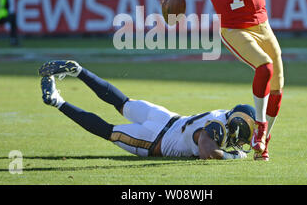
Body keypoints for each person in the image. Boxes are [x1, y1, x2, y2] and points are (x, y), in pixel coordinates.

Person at [161, 0, 298, 161]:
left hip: (262, 25)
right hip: (234, 29)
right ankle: (259, 127)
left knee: (278, 85)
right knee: (264, 66)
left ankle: (264, 142)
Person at [38, 60, 256, 160]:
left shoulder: (221, 114)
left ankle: (80, 71)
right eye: (244, 136)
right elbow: (207, 152)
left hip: (164, 116)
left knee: (122, 102)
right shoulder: (219, 127)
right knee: (108, 130)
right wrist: (234, 157)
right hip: (156, 140)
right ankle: (58, 101)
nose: (242, 142)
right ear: (236, 127)